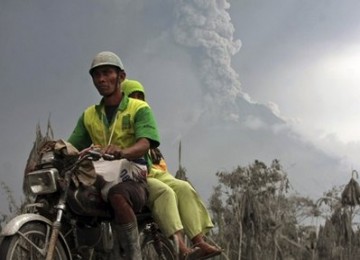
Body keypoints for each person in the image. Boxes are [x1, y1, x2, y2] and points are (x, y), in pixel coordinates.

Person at [67, 51, 160, 260]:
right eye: (96, 75)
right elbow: (73, 146)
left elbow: (145, 143)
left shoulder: (139, 108)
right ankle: (83, 251)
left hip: (133, 175)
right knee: (70, 195)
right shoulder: (89, 114)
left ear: (121, 77)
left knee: (117, 195)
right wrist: (54, 152)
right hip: (100, 173)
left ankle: (133, 255)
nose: (101, 79)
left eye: (107, 72)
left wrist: (123, 151)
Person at [122, 79, 223, 260]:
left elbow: (158, 161)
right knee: (165, 193)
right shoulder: (120, 122)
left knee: (184, 187)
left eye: (140, 97)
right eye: (132, 97)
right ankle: (182, 249)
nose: (137, 100)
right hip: (136, 173)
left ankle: (198, 241)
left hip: (157, 172)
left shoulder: (144, 120)